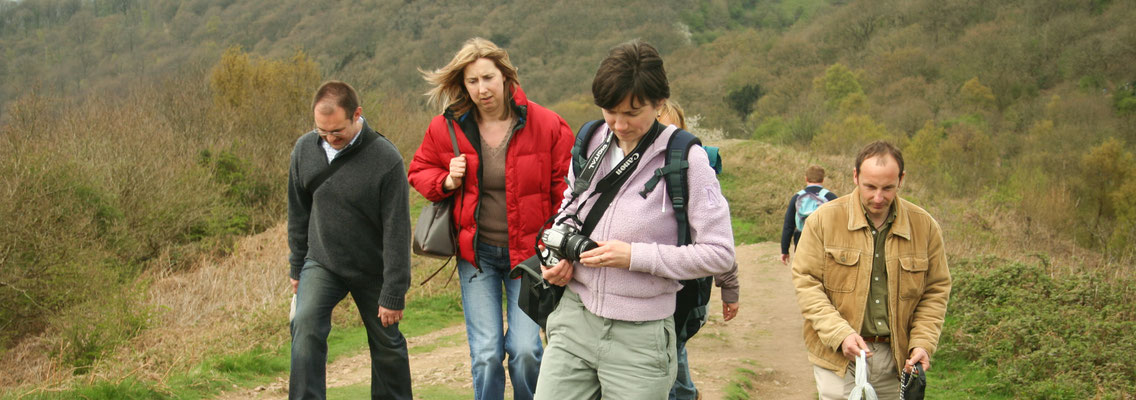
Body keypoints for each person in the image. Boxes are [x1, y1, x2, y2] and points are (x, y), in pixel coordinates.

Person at [534, 40, 735, 400]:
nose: (619, 124)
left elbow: (720, 253)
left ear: (659, 103)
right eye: (610, 111)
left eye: (632, 112)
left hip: (641, 336)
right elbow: (570, 208)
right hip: (573, 319)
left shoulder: (687, 160)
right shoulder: (591, 139)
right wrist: (558, 257)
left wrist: (634, 256)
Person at [407, 37, 574, 400]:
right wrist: (447, 180)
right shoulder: (447, 127)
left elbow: (568, 191)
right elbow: (418, 170)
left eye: (488, 78)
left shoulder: (547, 124)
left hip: (530, 256)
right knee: (485, 355)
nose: (482, 89)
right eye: (472, 81)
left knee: (526, 351)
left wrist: (559, 246)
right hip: (477, 255)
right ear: (463, 85)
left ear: (506, 76)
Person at [791, 141, 951, 400]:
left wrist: (923, 343)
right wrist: (840, 334)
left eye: (887, 188)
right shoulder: (823, 220)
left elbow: (935, 291)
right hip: (838, 356)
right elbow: (806, 284)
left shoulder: (925, 227)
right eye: (870, 187)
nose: (878, 197)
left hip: (897, 360)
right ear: (855, 176)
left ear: (901, 180)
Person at [287, 81, 412, 399]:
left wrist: (394, 291)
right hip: (323, 262)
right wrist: (296, 267)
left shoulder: (386, 159)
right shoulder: (304, 149)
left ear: (357, 114)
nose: (329, 138)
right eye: (322, 131)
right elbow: (298, 213)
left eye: (337, 131)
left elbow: (397, 230)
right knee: (304, 326)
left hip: (373, 267)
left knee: (387, 345)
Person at [657, 100, 740, 400]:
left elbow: (718, 241)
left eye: (670, 130)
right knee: (667, 350)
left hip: (689, 291)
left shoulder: (694, 172)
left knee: (672, 347)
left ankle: (684, 394)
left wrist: (729, 289)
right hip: (653, 285)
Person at [780, 165, 839, 265]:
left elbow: (788, 226)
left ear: (806, 179)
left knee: (803, 272)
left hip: (802, 243)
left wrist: (785, 250)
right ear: (823, 179)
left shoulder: (797, 197)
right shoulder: (831, 197)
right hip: (824, 244)